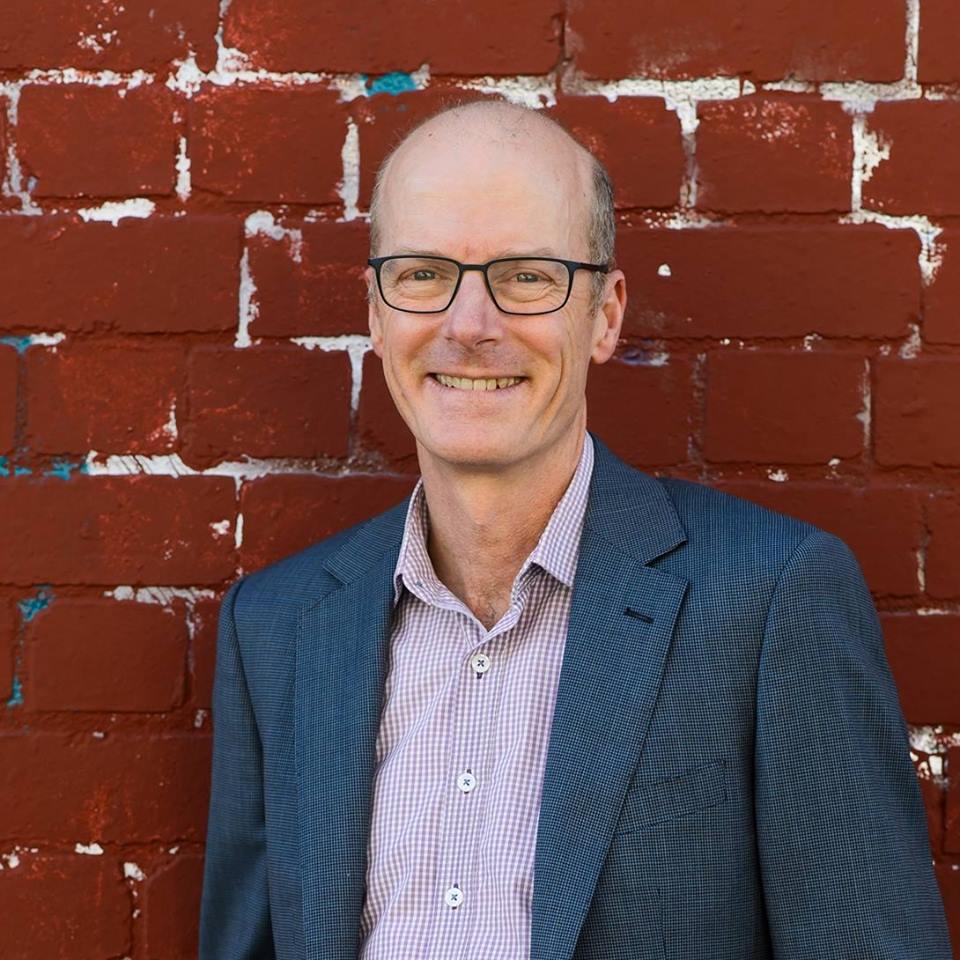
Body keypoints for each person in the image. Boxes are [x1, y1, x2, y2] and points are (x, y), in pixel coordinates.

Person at [198, 99, 953, 960]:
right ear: (375, 314)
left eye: (526, 276)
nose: (469, 326)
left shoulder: (771, 598)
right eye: (421, 275)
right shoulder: (275, 629)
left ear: (604, 315)